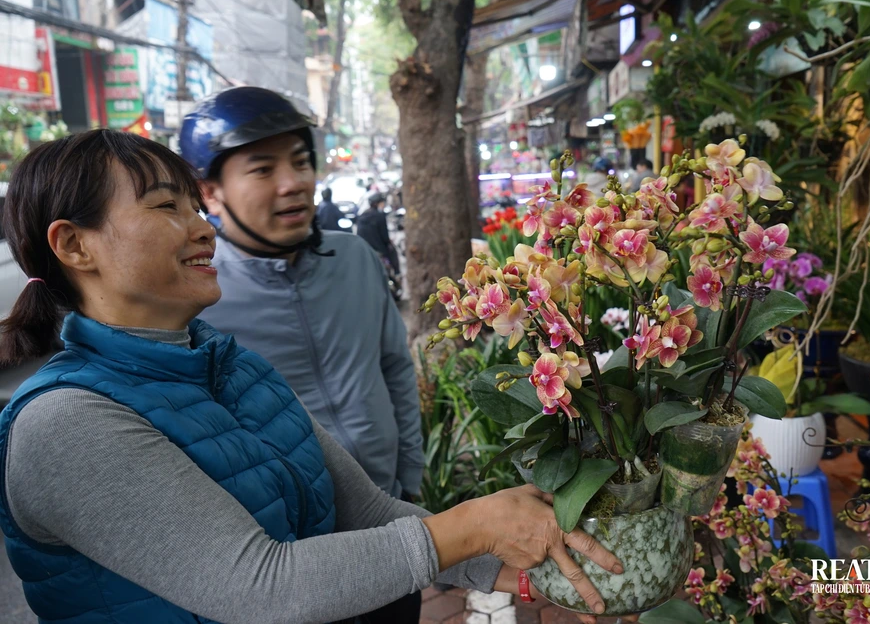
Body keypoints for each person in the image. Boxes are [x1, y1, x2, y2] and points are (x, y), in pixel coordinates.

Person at [0, 130, 629, 624]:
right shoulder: (65, 423)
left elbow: (367, 512)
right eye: (166, 206)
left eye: (196, 205)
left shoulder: (237, 368)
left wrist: (534, 569)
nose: (202, 226)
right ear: (74, 246)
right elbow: (258, 584)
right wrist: (471, 527)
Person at [180, 87, 419, 622]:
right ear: (210, 193)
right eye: (262, 169)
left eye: (301, 161)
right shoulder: (196, 300)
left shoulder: (355, 258)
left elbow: (395, 369)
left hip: (391, 523)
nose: (294, 183)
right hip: (293, 566)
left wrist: (410, 475)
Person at [356, 192, 399, 276]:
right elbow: (385, 238)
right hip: (378, 250)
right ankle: (397, 274)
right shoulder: (380, 216)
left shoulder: (362, 216)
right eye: (382, 203)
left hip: (363, 249)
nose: (383, 205)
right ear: (377, 203)